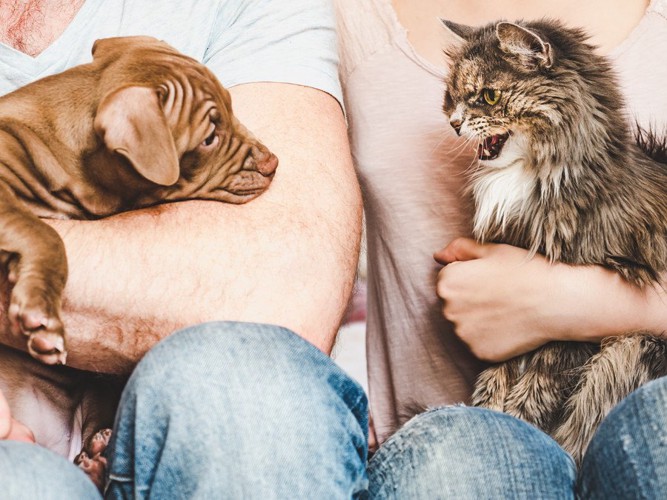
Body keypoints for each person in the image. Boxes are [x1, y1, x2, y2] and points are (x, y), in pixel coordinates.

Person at [0, 0, 371, 498]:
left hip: (162, 424)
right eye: (214, 136)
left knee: (249, 380)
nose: (262, 158)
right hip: (25, 434)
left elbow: (278, 297)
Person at [334, 0, 667, 497]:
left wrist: (572, 304)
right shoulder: (348, 19)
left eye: (484, 99)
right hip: (457, 448)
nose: (458, 122)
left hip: (642, 401)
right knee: (466, 453)